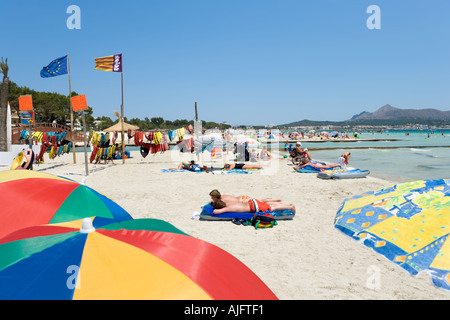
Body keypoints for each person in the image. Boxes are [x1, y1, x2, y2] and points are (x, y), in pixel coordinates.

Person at [209, 189, 295, 214]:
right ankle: (281, 203)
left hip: (253, 206)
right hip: (248, 201)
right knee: (264, 202)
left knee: (271, 207)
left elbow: (216, 212)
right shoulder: (226, 201)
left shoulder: (227, 207)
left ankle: (290, 207)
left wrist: (214, 207)